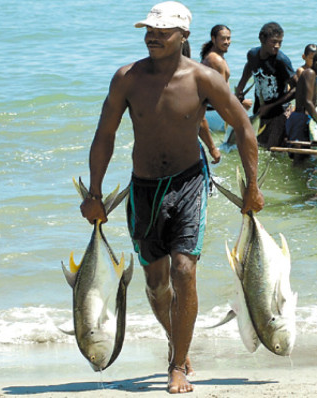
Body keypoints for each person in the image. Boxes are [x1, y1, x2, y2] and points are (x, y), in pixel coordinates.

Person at [79, 2, 264, 394]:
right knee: (155, 283)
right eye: (150, 29)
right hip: (144, 187)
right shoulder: (127, 78)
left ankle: (177, 364)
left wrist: (252, 186)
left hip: (189, 182)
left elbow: (244, 126)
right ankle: (174, 338)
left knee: (184, 269)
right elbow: (105, 135)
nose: (153, 35)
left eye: (163, 31)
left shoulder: (203, 78)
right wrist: (94, 193)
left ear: (183, 36)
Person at [235, 22, 296, 149]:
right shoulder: (252, 55)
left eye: (280, 42)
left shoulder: (281, 61)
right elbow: (249, 67)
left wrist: (271, 106)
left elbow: (296, 88)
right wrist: (240, 87)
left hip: (279, 112)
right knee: (258, 147)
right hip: (260, 111)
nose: (277, 46)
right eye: (273, 42)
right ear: (262, 39)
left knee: (271, 150)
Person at [286, 49, 317, 163]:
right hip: (299, 118)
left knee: (306, 155)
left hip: (306, 119)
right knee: (299, 156)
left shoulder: (316, 78)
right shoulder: (309, 73)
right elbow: (308, 102)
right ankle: (295, 177)